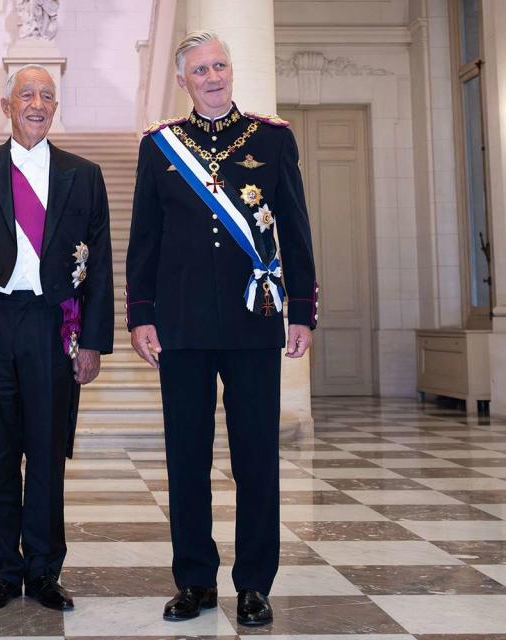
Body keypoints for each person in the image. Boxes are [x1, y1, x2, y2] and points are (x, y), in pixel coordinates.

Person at [126, 31, 318, 627]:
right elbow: (145, 237)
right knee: (186, 456)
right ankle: (195, 581)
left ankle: (254, 584)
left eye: (220, 66)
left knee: (256, 456)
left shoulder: (272, 139)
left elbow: (294, 227)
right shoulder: (161, 146)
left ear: (230, 72)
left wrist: (303, 310)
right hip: (181, 323)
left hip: (253, 320)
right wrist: (140, 313)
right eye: (200, 70)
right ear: (182, 81)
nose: (212, 77)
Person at [0, 64, 113, 612]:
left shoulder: (83, 174)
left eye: (47, 95)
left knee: (46, 453)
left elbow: (102, 265)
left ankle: (43, 571)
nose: (37, 103)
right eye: (26, 95)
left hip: (51, 327)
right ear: (6, 105)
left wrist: (92, 340)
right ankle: (3, 569)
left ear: (55, 107)